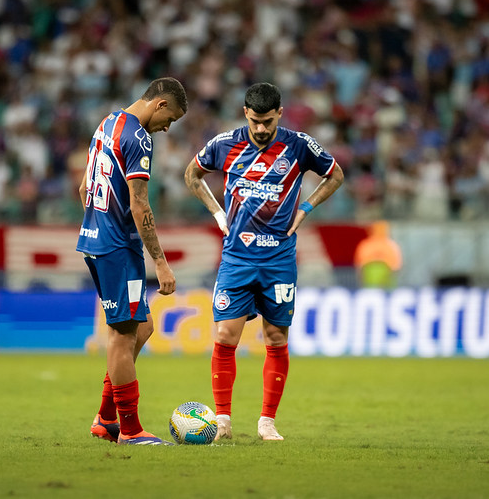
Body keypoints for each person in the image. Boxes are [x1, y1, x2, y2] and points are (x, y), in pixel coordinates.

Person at [184, 82, 344, 441]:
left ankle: (267, 421)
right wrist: (216, 212)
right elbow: (191, 174)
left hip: (279, 258)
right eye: (255, 121)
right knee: (226, 334)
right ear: (245, 113)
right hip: (237, 257)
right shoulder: (224, 144)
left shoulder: (299, 145)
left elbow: (335, 175)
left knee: (275, 337)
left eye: (268, 121)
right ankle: (222, 419)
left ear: (280, 114)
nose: (261, 128)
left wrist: (306, 207)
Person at [77, 77, 188, 445]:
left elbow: (83, 188)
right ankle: (130, 429)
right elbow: (140, 203)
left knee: (142, 328)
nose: (166, 127)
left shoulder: (107, 123)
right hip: (116, 246)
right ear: (159, 104)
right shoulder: (139, 137)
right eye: (169, 119)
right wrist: (160, 262)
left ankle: (106, 417)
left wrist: (98, 225)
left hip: (95, 239)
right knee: (123, 336)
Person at [354, 220, 403, 289]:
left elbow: (359, 266)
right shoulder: (391, 245)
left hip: (374, 283)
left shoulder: (365, 245)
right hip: (383, 283)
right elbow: (396, 267)